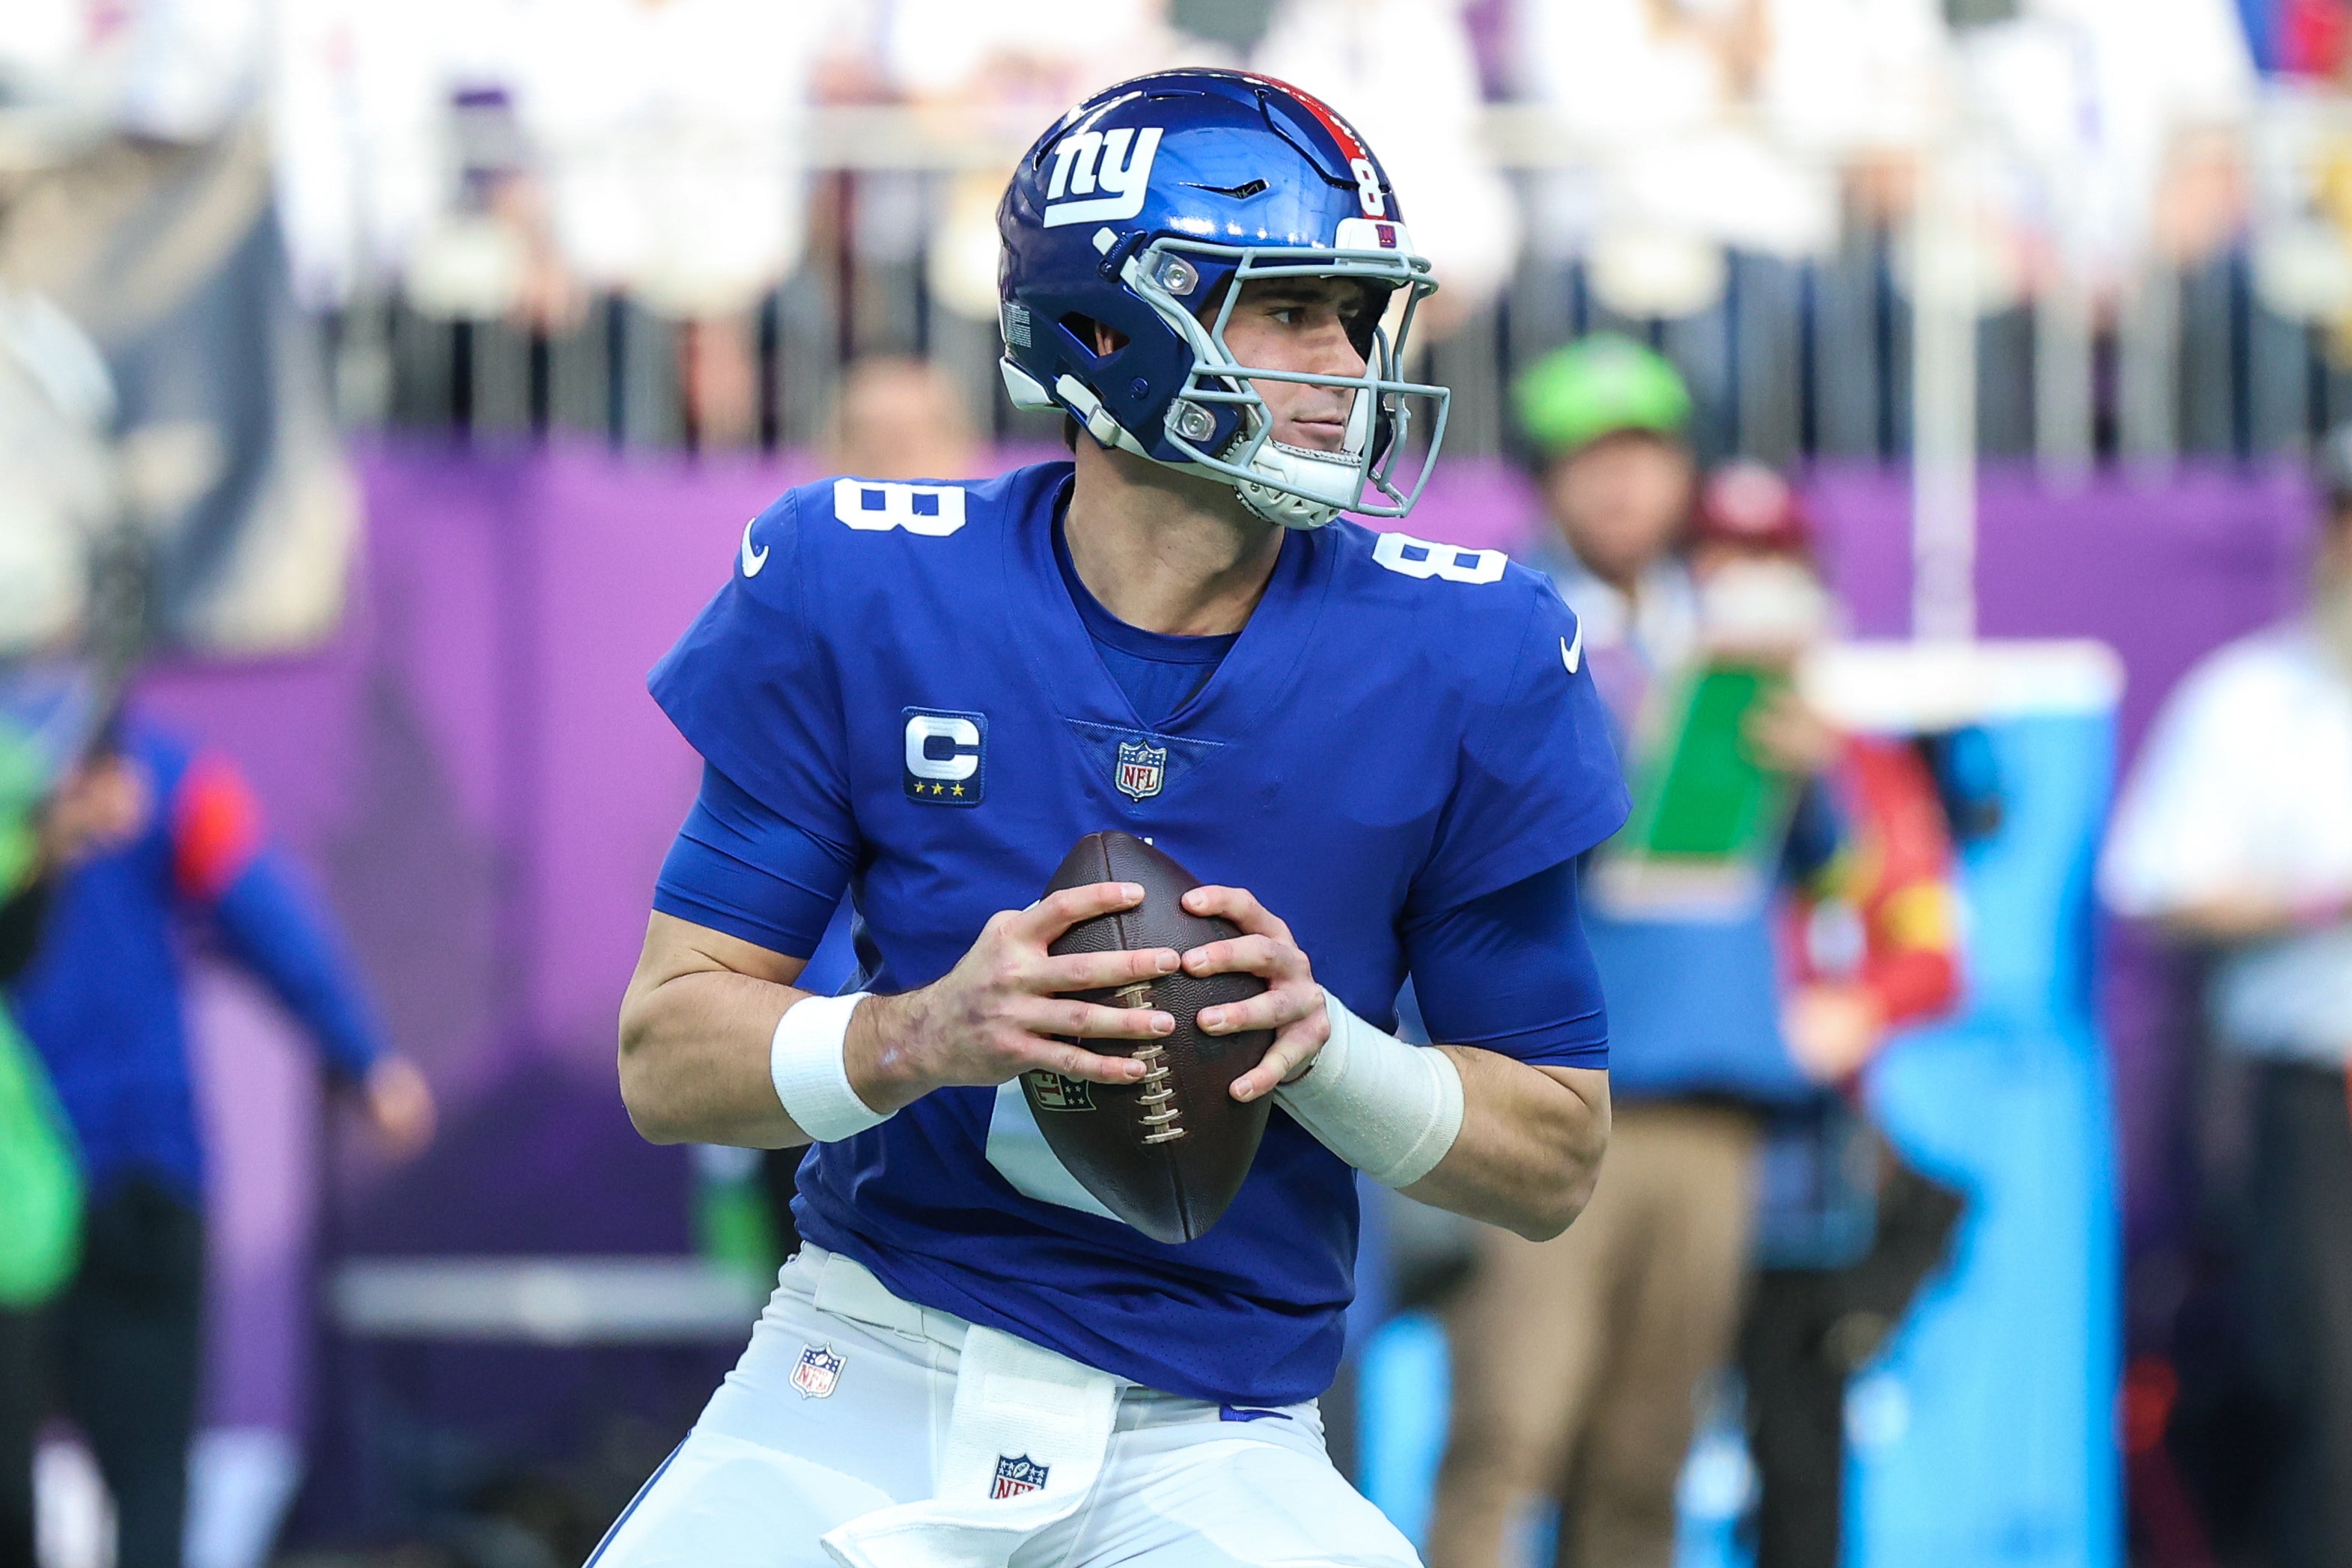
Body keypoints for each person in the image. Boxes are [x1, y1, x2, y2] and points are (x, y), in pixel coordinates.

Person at [601, 68, 1627, 1568]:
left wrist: (1321, 1051)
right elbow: (666, 1057)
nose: (1341, 361)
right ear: (1107, 327)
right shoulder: (863, 580)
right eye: (1288, 308)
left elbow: (1551, 1159)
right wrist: (918, 1035)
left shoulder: (1463, 655)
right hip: (865, 1375)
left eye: (1355, 317)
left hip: (1213, 1433)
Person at [1428, 341, 1827, 1568]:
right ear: (1543, 477)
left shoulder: (1738, 632)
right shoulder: (1496, 629)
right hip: (1539, 1090)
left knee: (1649, 1456)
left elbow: (1819, 857)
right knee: (1509, 1434)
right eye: (1590, 459)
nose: (1619, 487)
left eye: (1643, 455)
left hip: (1713, 1099)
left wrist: (1810, 768)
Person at [0, 718, 435, 1568]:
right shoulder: (155, 770)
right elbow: (261, 908)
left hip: (38, 1192)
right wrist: (363, 1056)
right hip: (132, 1165)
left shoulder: (126, 774)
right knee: (152, 1478)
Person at [1684, 463, 1974, 1568]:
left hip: (1800, 1146)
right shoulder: (1624, 734)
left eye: (1777, 565)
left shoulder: (1863, 765)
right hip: (1663, 1123)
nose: (1752, 590)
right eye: (1726, 561)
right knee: (1623, 1435)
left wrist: (1849, 1008)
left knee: (1797, 1439)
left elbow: (1931, 953)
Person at [2100, 424, 2352, 1568]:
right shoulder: (2251, 697)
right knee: (2323, 1390)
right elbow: (2159, 881)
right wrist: (2314, 901)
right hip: (2308, 1094)